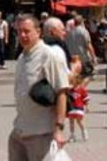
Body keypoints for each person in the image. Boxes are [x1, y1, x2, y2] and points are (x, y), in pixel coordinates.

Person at [8, 14, 69, 161]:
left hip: (41, 132)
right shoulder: (22, 57)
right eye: (19, 31)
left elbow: (62, 92)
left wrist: (59, 130)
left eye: (27, 31)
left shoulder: (49, 56)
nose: (22, 35)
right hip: (20, 129)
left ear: (38, 31)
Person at [66, 72, 89, 143]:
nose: (71, 82)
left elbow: (85, 99)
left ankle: (84, 132)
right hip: (71, 108)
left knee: (79, 121)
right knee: (71, 122)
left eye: (73, 81)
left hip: (79, 107)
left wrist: (87, 107)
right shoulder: (69, 90)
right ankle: (72, 135)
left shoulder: (82, 90)